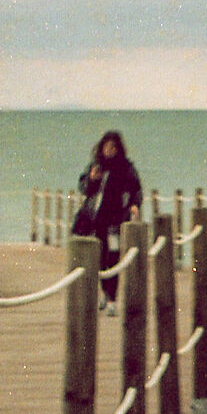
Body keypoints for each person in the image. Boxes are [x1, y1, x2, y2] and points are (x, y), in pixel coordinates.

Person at [72, 130, 144, 304]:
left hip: (116, 220)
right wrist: (92, 179)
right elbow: (84, 188)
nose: (109, 150)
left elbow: (136, 189)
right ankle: (104, 293)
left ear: (119, 149)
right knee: (98, 258)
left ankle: (111, 297)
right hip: (95, 221)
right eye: (106, 147)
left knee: (113, 257)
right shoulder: (96, 166)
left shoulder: (126, 168)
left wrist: (134, 205)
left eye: (113, 147)